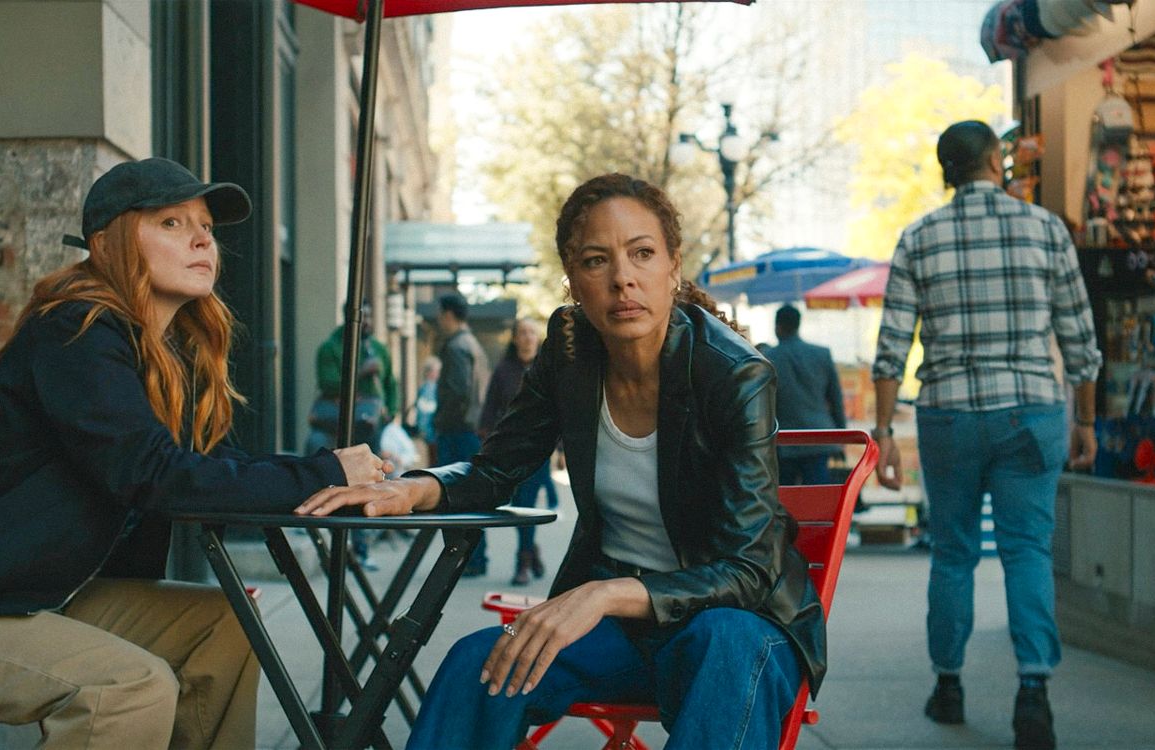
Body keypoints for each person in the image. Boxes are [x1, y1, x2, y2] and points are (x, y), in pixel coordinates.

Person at [0, 158, 387, 749]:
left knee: (231, 625)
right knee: (128, 687)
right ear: (109, 243)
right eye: (172, 223)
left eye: (205, 225)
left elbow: (221, 468)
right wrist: (321, 471)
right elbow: (153, 475)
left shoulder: (167, 358)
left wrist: (339, 478)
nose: (203, 237)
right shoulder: (75, 334)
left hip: (37, 598)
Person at [297, 174, 822, 750]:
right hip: (624, 632)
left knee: (725, 643)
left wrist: (601, 594)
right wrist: (411, 489)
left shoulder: (734, 375)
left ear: (673, 267)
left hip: (740, 625)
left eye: (643, 254)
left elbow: (747, 571)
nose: (623, 277)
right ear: (573, 280)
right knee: (479, 665)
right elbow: (497, 467)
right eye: (597, 260)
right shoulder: (570, 352)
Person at [871, 121, 1101, 750]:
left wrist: (884, 431)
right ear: (997, 162)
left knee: (953, 554)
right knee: (1028, 551)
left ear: (947, 171)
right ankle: (1033, 695)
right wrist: (1084, 419)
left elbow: (891, 348)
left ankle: (948, 684)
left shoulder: (919, 237)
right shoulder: (1046, 228)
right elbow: (1081, 342)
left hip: (948, 415)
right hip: (1031, 410)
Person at [306, 301, 399, 570]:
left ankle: (361, 547)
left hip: (368, 427)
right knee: (334, 479)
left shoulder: (378, 349)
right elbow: (328, 382)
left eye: (369, 315)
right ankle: (334, 545)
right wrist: (361, 372)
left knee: (368, 484)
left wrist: (390, 410)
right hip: (334, 427)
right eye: (361, 316)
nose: (366, 321)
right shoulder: (330, 347)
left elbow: (391, 382)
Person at [481, 317, 560, 586]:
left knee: (526, 504)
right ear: (514, 339)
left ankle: (522, 561)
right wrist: (488, 446)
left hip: (539, 450)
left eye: (532, 333)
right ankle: (532, 551)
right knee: (518, 506)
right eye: (523, 333)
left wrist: (562, 449)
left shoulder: (549, 369)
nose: (527, 338)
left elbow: (562, 411)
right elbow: (489, 411)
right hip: (509, 450)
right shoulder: (503, 370)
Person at [433, 291, 491, 576]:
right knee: (473, 497)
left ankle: (462, 560)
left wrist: (439, 420)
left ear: (447, 314)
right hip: (471, 429)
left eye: (439, 313)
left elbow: (456, 392)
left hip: (457, 431)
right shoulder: (473, 344)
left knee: (451, 498)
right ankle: (476, 559)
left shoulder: (456, 346)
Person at [766, 304, 846, 486]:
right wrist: (841, 434)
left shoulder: (768, 358)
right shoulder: (822, 354)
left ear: (777, 326)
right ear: (798, 325)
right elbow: (836, 399)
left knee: (786, 499)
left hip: (784, 441)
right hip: (819, 437)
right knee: (817, 494)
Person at [414, 356, 441, 458]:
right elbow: (425, 413)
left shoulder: (426, 388)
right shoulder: (429, 389)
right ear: (430, 372)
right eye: (437, 371)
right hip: (432, 435)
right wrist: (426, 433)